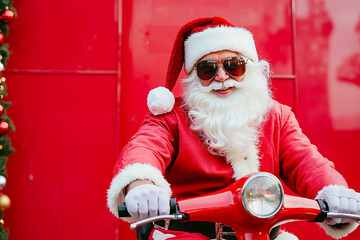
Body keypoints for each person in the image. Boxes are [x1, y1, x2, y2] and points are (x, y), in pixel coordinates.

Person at [107, 17, 360, 240]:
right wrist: (142, 185)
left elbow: (308, 162)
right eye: (208, 69)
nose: (221, 77)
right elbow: (144, 148)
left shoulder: (277, 116)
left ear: (249, 69)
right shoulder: (170, 119)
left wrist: (336, 194)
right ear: (195, 76)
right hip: (186, 235)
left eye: (233, 65)